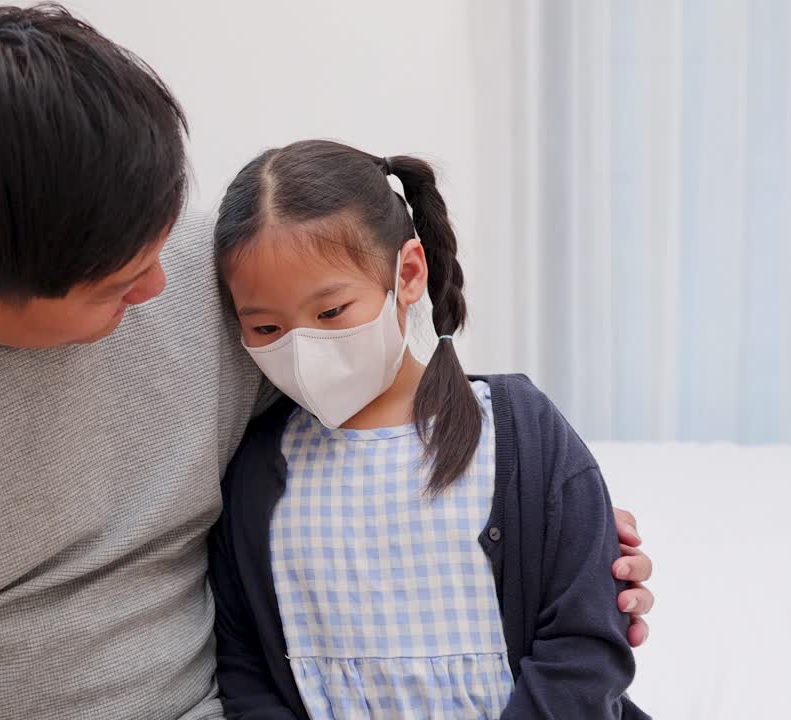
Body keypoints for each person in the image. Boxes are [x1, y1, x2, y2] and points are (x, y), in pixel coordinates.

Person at [0, 6, 655, 719]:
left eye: (163, 243)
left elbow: (376, 411)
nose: (165, 291)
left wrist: (551, 540)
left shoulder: (194, 262)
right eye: (115, 285)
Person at [207, 140, 648, 718]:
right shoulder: (254, 472)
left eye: (331, 312)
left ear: (408, 273)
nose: (302, 346)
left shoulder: (519, 432)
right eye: (266, 327)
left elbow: (585, 645)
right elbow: (244, 671)